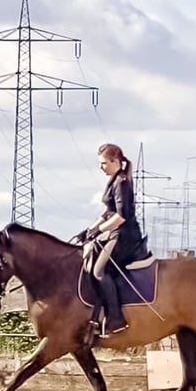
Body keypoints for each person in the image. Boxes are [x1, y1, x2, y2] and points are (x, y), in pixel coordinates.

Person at [76, 143, 148, 336]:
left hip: (126, 237)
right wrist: (89, 230)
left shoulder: (122, 182)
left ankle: (116, 319)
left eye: (103, 163)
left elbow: (121, 216)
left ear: (115, 161)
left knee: (99, 271)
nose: (101, 167)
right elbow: (109, 212)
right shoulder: (114, 180)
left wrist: (99, 230)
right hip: (115, 233)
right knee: (89, 261)